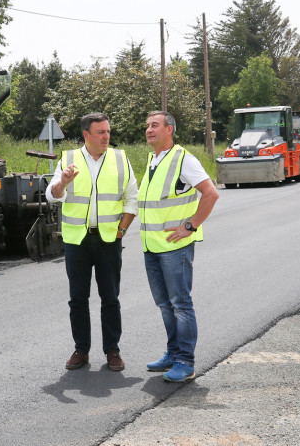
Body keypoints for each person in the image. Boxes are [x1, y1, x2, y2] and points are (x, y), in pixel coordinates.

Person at [47, 112, 138, 372]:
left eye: (108, 131)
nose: (106, 136)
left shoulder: (120, 159)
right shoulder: (69, 159)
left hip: (110, 239)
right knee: (78, 299)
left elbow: (132, 198)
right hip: (77, 240)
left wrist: (121, 230)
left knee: (110, 298)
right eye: (101, 132)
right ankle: (81, 350)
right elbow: (53, 195)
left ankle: (113, 351)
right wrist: (62, 182)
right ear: (86, 135)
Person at [138, 111, 219, 382]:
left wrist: (191, 225)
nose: (149, 130)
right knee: (165, 304)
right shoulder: (153, 160)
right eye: (148, 125)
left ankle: (186, 361)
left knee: (180, 304)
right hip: (152, 247)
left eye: (155, 125)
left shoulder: (184, 159)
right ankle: (173, 354)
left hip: (175, 247)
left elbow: (211, 193)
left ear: (169, 129)